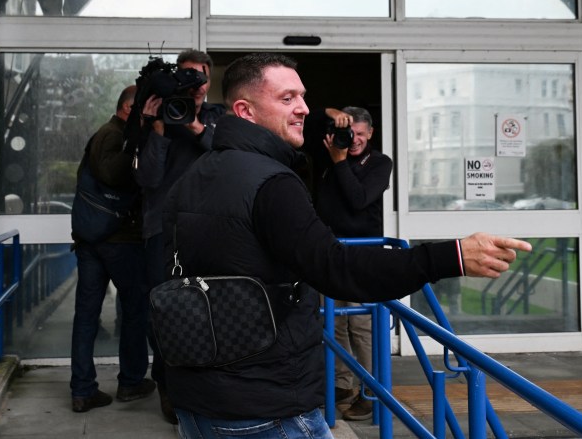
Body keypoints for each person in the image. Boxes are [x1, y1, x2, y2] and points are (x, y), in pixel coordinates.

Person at [161, 53, 532, 438]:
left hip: (197, 401)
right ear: (245, 110)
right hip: (266, 405)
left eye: (302, 97)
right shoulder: (270, 182)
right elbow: (337, 269)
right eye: (287, 98)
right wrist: (448, 256)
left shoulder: (194, 175)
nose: (304, 108)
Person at [133, 49, 226, 424]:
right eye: (186, 76)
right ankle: (168, 385)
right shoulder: (158, 120)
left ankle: (206, 387)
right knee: (164, 312)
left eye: (201, 77)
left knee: (211, 311)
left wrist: (194, 124)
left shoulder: (219, 118)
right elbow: (147, 179)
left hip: (210, 229)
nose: (195, 84)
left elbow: (225, 158)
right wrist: (156, 129)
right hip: (163, 230)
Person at [69, 85, 155, 412]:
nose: (149, 117)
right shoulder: (111, 134)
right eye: (144, 111)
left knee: (88, 315)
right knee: (135, 310)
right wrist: (137, 142)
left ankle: (83, 389)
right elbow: (111, 173)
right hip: (118, 241)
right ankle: (130, 383)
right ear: (127, 109)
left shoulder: (113, 132)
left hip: (93, 241)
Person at [312, 105, 393, 421]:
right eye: (349, 132)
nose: (354, 139)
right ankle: (342, 385)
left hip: (363, 253)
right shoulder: (329, 152)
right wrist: (331, 113)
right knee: (334, 324)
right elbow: (312, 119)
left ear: (371, 133)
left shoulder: (380, 162)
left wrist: (340, 162)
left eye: (360, 133)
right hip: (331, 252)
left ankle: (372, 391)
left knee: (361, 325)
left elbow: (359, 200)